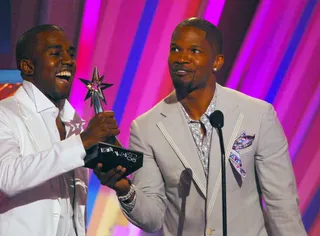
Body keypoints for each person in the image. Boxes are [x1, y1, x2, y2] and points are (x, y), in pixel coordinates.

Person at [95, 18, 307, 236]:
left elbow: (281, 203)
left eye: (194, 51)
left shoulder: (257, 115)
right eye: (175, 49)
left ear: (217, 62)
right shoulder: (146, 127)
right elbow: (153, 218)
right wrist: (124, 189)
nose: (182, 58)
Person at [0, 25, 120, 236]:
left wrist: (116, 163)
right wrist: (82, 142)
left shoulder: (75, 123)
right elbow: (7, 178)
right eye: (55, 53)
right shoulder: (5, 114)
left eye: (71, 54)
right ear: (28, 67)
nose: (69, 61)